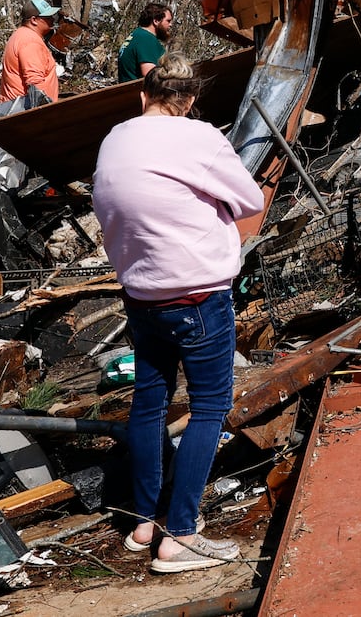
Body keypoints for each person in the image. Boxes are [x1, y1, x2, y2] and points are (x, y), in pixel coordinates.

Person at [92, 52, 264, 573]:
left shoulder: (116, 136)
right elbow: (251, 199)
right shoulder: (201, 137)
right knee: (210, 407)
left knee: (149, 401)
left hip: (142, 294)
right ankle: (180, 535)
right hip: (197, 294)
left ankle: (144, 522)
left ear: (144, 94)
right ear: (188, 101)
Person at [0, 0, 61, 109]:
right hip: (24, 111)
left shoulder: (20, 35)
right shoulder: (30, 41)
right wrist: (47, 113)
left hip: (14, 107)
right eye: (47, 17)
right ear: (33, 20)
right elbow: (35, 82)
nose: (52, 19)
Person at [119, 3, 174, 81]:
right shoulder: (146, 39)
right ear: (156, 21)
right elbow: (150, 74)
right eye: (168, 21)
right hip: (137, 91)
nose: (171, 24)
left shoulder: (137, 35)